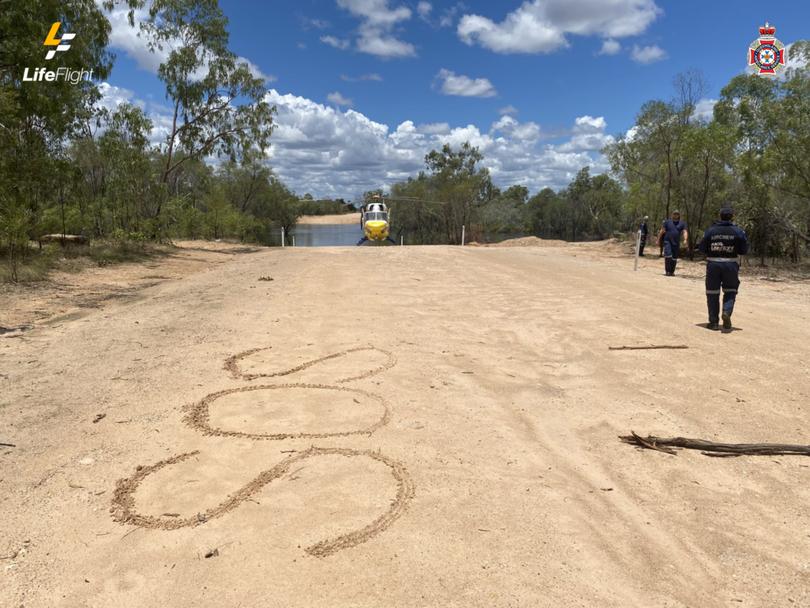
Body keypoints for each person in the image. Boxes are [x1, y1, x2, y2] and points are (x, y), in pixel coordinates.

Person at [698, 207, 749, 331]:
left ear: (719, 216)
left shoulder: (710, 230)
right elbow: (744, 250)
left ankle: (714, 322)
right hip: (731, 265)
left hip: (713, 265)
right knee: (731, 291)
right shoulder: (738, 231)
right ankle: (726, 311)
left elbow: (702, 248)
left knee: (712, 293)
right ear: (732, 217)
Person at [657, 210, 688, 276]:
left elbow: (685, 231)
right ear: (672, 215)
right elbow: (662, 231)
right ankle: (667, 271)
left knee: (674, 258)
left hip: (676, 243)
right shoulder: (667, 222)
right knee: (668, 255)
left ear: (679, 215)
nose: (675, 215)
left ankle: (672, 271)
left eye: (677, 214)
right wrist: (658, 239)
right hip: (667, 241)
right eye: (674, 214)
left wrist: (685, 239)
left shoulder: (682, 223)